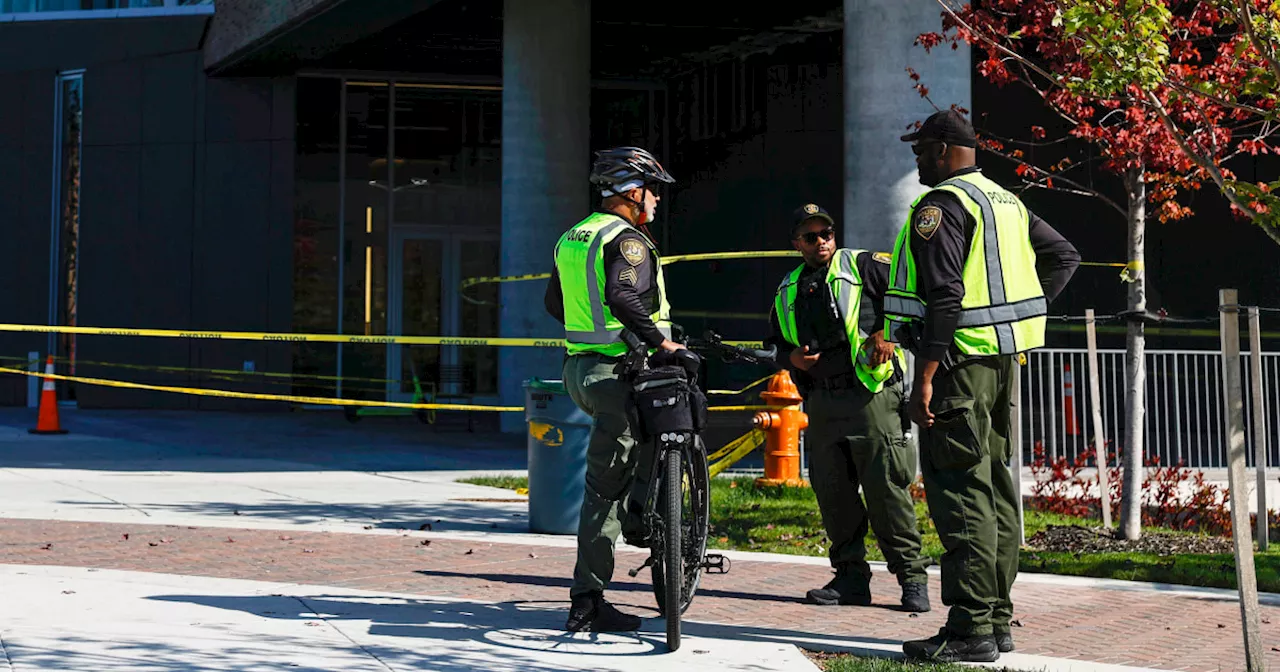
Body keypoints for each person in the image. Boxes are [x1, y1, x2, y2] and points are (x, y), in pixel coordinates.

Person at [884, 110, 1080, 663]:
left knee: (962, 492)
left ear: (945, 149)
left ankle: (971, 629)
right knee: (994, 489)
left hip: (956, 371)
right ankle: (994, 622)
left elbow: (944, 297)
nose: (917, 161)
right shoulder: (1006, 202)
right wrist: (1021, 315)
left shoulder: (942, 207)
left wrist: (924, 375)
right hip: (999, 366)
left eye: (921, 150)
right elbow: (1065, 255)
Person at [764, 203, 931, 613]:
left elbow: (912, 293)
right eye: (810, 236)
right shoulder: (788, 287)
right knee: (833, 494)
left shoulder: (863, 264)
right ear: (796, 243)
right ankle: (850, 579)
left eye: (826, 233)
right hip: (822, 402)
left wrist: (885, 333)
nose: (820, 241)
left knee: (886, 492)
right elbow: (777, 344)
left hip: (870, 396)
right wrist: (793, 361)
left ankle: (912, 578)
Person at [544, 146, 684, 633]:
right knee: (604, 489)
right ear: (631, 193)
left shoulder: (573, 236)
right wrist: (660, 341)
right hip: (616, 374)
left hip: (580, 370)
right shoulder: (628, 241)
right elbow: (623, 294)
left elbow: (554, 303)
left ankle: (641, 515)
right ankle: (588, 599)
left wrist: (602, 330)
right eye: (654, 191)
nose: (657, 202)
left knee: (643, 442)